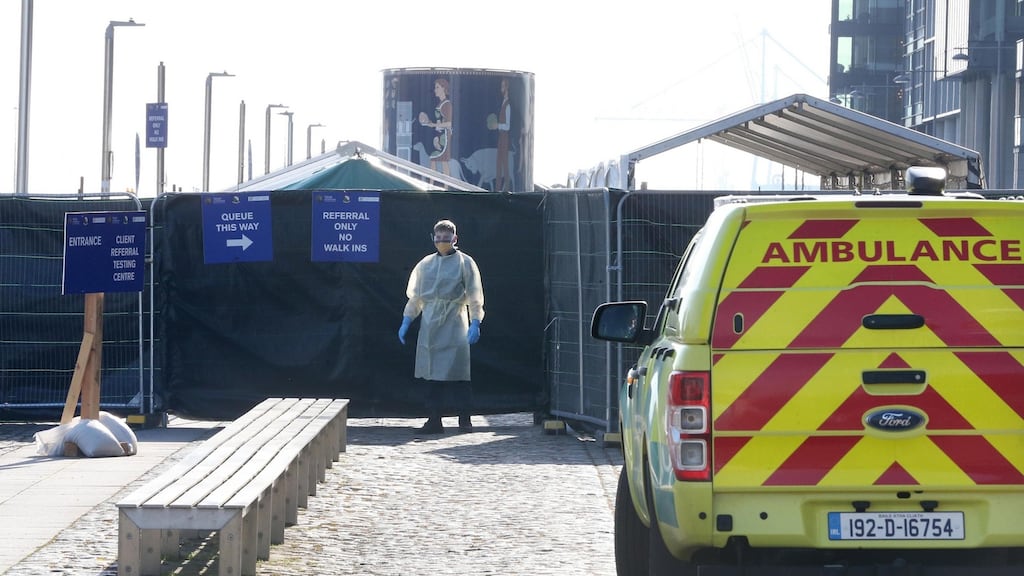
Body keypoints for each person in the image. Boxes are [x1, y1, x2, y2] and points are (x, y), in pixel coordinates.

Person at [398, 219, 485, 433]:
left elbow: (475, 295)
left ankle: (464, 419)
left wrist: (475, 322)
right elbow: (417, 297)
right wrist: (407, 319)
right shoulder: (426, 264)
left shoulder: (465, 263)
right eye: (439, 238)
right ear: (433, 238)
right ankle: (434, 419)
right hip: (430, 324)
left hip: (455, 321)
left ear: (455, 239)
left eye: (446, 238)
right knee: (432, 374)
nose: (442, 242)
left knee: (458, 374)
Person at [417, 78, 454, 175]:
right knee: (435, 159)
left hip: (444, 137)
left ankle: (445, 187)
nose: (435, 90)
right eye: (435, 87)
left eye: (437, 87)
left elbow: (449, 123)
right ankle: (432, 185)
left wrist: (434, 124)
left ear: (443, 88)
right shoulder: (440, 103)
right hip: (439, 135)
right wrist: (430, 124)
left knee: (443, 161)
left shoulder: (447, 104)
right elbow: (439, 122)